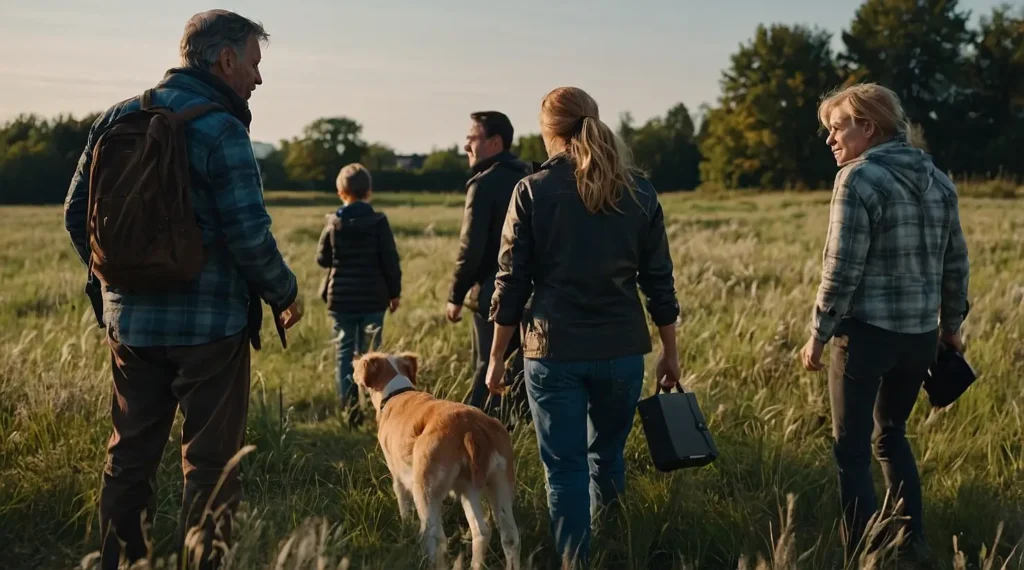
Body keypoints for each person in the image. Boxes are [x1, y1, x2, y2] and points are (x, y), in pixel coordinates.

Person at [63, 10, 302, 570]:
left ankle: (123, 562)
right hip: (210, 331)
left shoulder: (115, 118)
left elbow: (77, 216)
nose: (258, 79)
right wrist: (283, 291)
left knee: (128, 458)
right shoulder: (223, 129)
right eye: (253, 63)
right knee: (212, 465)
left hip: (129, 328)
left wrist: (114, 287)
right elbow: (249, 233)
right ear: (225, 60)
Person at [484, 86, 681, 568]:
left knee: (565, 470)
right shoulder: (639, 190)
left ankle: (576, 561)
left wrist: (494, 358)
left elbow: (511, 285)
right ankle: (615, 547)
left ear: (547, 129)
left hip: (552, 353)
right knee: (607, 457)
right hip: (622, 352)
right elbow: (660, 282)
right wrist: (669, 353)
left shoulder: (531, 190)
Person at [799, 83, 970, 564]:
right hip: (918, 338)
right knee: (891, 434)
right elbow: (956, 262)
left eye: (837, 128)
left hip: (866, 336)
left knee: (851, 449)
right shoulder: (938, 178)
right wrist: (951, 324)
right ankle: (911, 542)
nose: (831, 139)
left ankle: (862, 552)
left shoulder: (857, 179)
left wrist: (818, 334)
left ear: (867, 128)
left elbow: (841, 267)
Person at [445, 111, 533, 427]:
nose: (466, 145)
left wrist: (455, 295)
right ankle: (521, 430)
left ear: (494, 142)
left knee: (487, 366)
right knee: (526, 367)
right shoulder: (533, 176)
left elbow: (472, 250)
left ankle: (472, 433)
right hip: (538, 295)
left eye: (472, 138)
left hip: (494, 294)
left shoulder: (483, 184)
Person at [316, 163, 402, 418]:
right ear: (369, 192)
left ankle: (350, 410)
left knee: (344, 354)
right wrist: (394, 293)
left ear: (341, 192)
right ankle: (379, 408)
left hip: (341, 300)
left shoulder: (333, 223)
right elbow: (390, 260)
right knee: (372, 356)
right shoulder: (378, 221)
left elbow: (322, 258)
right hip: (373, 299)